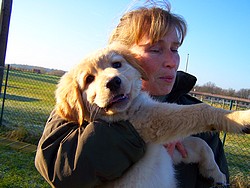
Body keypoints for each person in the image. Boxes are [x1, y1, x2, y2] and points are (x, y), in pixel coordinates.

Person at [35, 1, 229, 188]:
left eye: (175, 49)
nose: (171, 61)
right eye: (155, 49)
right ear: (122, 53)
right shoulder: (83, 106)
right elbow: (59, 171)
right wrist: (150, 128)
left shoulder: (200, 123)